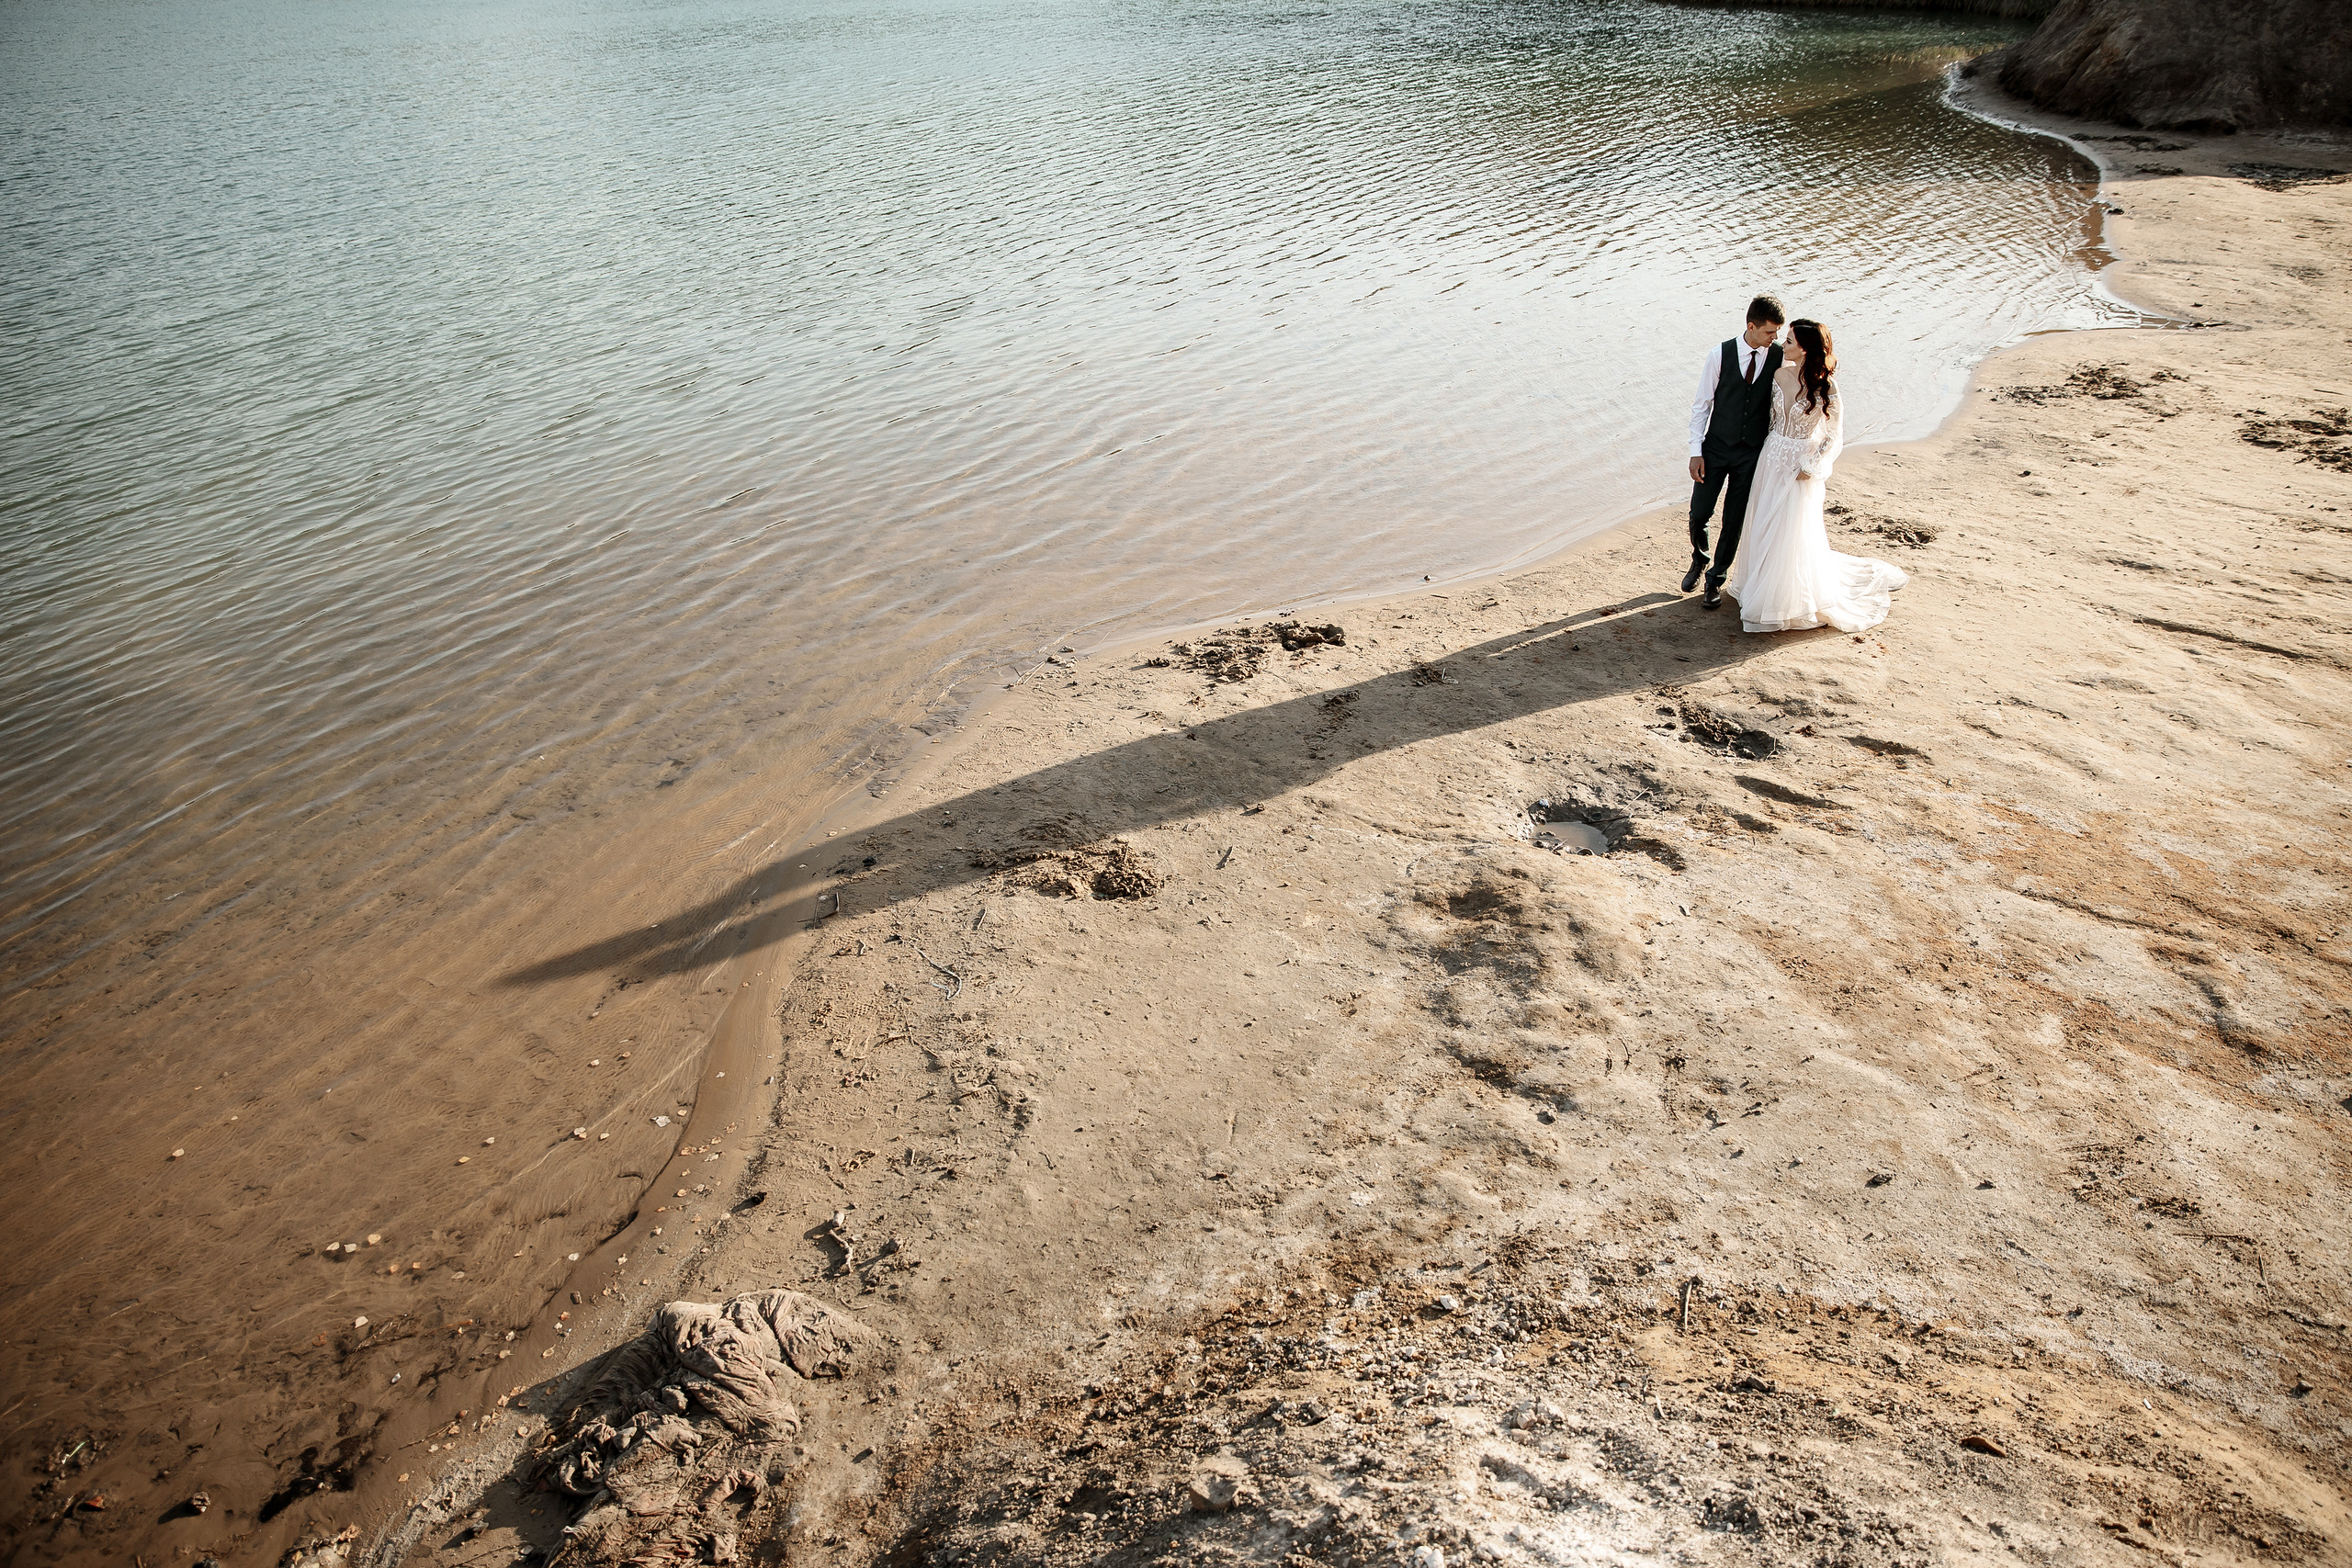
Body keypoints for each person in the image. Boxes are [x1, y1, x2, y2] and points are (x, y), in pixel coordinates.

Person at [1720, 318, 1907, 634]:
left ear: (1805, 348)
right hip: (1772, 457)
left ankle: (1785, 599)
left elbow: (1835, 435)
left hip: (1801, 465)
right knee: (1764, 521)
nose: (1783, 345)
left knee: (1791, 529)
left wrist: (1813, 466)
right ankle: (1759, 582)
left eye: (1790, 341)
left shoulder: (1827, 387)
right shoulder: (1779, 375)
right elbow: (1764, 419)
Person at [1683, 294, 1785, 610]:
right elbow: (1702, 405)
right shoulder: (1720, 354)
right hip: (1714, 449)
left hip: (1751, 453)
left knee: (1734, 518)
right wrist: (1695, 451)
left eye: (1778, 333)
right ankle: (1699, 559)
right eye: (1770, 332)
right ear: (1752, 327)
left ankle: (1715, 578)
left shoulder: (1779, 356)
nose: (1775, 338)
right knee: (1699, 513)